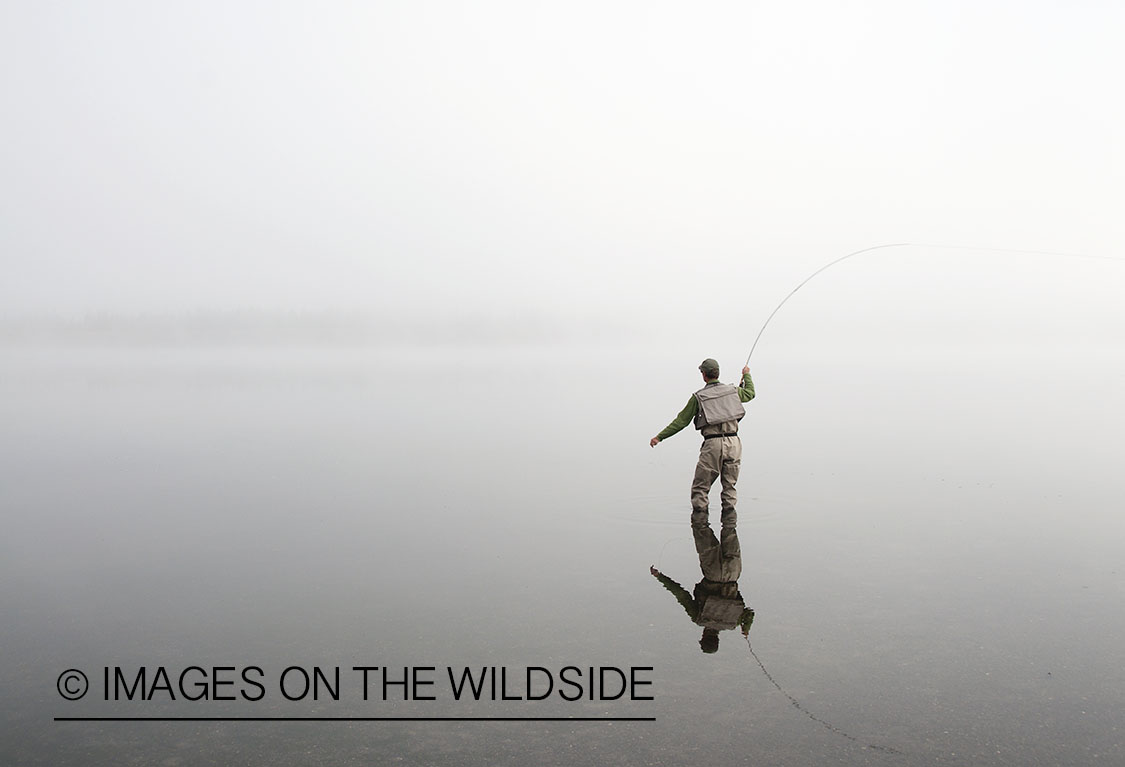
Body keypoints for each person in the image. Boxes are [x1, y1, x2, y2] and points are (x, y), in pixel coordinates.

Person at [650, 359, 755, 526]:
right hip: (734, 442)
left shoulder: (698, 397)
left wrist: (659, 437)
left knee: (700, 489)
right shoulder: (734, 391)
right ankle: (729, 531)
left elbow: (681, 422)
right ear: (718, 373)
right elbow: (750, 393)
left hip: (712, 444)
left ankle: (701, 529)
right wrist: (747, 375)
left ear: (704, 375)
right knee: (730, 488)